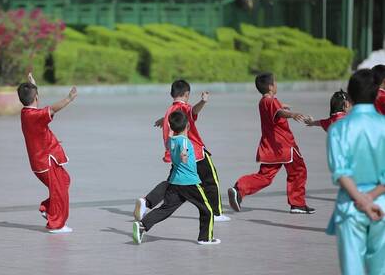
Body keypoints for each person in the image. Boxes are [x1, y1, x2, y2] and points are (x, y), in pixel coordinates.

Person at [134, 80, 230, 223]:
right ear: (187, 94)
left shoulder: (169, 111)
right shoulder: (184, 108)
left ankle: (147, 202)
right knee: (210, 181)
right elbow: (192, 111)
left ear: (172, 94)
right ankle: (216, 213)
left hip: (175, 155)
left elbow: (175, 115)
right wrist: (203, 102)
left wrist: (163, 119)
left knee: (172, 184)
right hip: (195, 153)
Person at [227, 72, 315, 214]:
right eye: (275, 82)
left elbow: (276, 107)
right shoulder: (272, 102)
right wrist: (292, 114)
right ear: (270, 87)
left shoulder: (264, 102)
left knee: (265, 177)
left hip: (270, 147)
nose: (276, 85)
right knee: (299, 171)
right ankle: (297, 203)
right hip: (284, 146)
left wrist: (282, 106)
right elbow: (279, 112)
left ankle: (239, 189)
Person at [327, 69, 385, 275]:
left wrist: (361, 200)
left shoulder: (339, 128)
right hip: (381, 205)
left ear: (350, 96)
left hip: (350, 206)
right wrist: (371, 199)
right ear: (377, 94)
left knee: (352, 270)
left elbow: (341, 172)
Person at [133, 110, 221, 245]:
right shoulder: (185, 141)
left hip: (175, 182)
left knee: (166, 209)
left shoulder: (172, 141)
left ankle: (143, 225)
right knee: (207, 209)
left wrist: (169, 133)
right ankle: (205, 238)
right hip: (190, 182)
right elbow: (184, 154)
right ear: (188, 126)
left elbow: (169, 143)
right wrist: (185, 158)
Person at [18, 73, 77, 234]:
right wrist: (69, 98)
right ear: (36, 97)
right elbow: (50, 109)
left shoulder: (26, 113)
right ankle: (56, 224)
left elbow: (39, 108)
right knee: (59, 190)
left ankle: (48, 209)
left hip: (44, 158)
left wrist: (34, 84)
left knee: (64, 181)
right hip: (45, 162)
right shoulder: (34, 116)